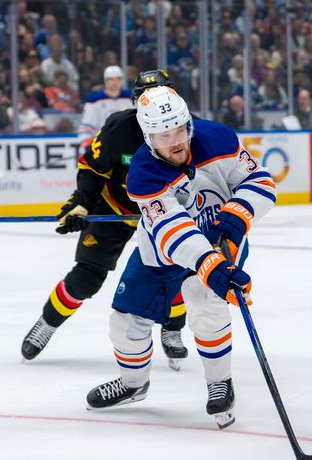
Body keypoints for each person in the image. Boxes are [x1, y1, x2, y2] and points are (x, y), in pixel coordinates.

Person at [85, 86, 276, 429]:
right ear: (147, 136)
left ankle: (220, 382)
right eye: (162, 135)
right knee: (125, 320)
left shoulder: (218, 139)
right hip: (163, 249)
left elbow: (260, 181)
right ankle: (132, 384)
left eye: (178, 130)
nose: (174, 141)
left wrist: (239, 212)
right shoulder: (143, 173)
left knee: (205, 298)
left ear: (189, 124)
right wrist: (208, 265)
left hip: (219, 235)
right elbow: (173, 231)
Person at [21, 70, 189, 370]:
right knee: (86, 277)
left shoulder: (191, 130)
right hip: (114, 207)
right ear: (136, 102)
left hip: (162, 213)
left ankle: (173, 328)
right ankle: (48, 321)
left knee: (174, 274)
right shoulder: (119, 128)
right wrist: (82, 204)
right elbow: (92, 167)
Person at [76, 65, 133, 150]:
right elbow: (86, 128)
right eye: (110, 79)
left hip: (126, 146)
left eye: (118, 78)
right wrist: (88, 144)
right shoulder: (94, 100)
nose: (114, 82)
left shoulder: (131, 98)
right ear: (105, 81)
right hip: (102, 147)